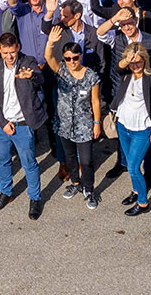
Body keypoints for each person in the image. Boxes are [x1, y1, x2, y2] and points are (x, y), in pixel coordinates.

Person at [0, 33, 47, 220]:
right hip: (2, 124)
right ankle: (6, 192)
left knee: (29, 163)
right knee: (3, 161)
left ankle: (35, 198)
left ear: (18, 47)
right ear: (0, 50)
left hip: (22, 124)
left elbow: (39, 78)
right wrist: (3, 124)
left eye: (12, 52)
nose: (9, 57)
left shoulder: (28, 62)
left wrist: (31, 77)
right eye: (5, 53)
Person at [43, 30, 103, 210]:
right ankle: (76, 184)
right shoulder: (61, 70)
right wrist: (50, 42)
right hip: (64, 124)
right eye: (68, 58)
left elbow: (95, 101)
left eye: (75, 58)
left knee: (86, 160)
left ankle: (89, 189)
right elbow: (48, 57)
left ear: (80, 56)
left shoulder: (91, 75)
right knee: (69, 158)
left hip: (84, 125)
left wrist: (97, 123)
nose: (72, 62)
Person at [109, 42, 151, 216]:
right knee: (130, 163)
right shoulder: (127, 73)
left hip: (142, 128)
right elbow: (118, 68)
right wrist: (127, 60)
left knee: (133, 166)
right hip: (124, 124)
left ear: (145, 60)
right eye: (132, 63)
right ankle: (136, 191)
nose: (136, 66)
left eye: (139, 62)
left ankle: (142, 203)